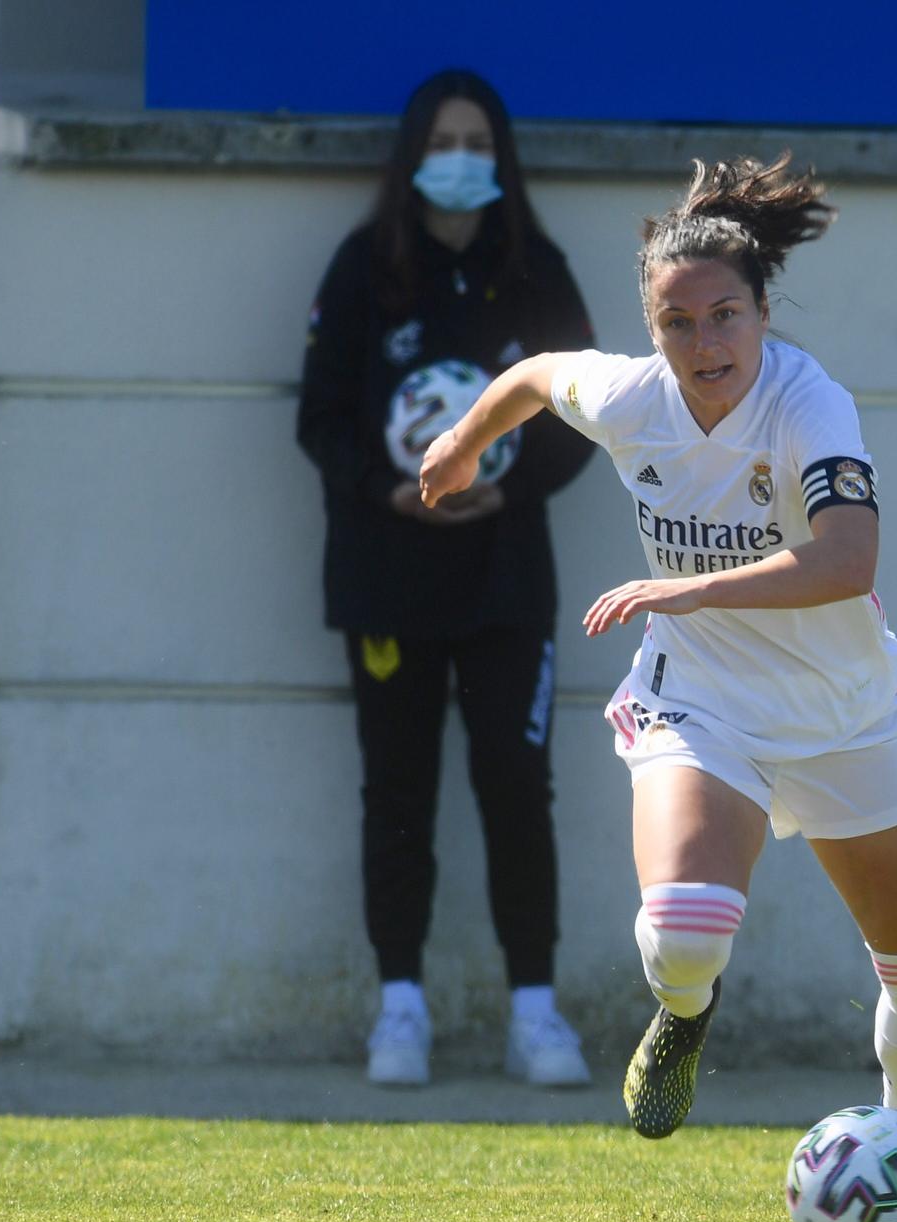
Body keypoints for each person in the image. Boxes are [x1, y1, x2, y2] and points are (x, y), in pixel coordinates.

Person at [419, 154, 897, 1222]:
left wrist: (681, 588)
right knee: (687, 925)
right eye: (676, 322)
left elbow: (846, 561)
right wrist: (462, 444)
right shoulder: (630, 394)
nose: (703, 345)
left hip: (842, 714)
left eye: (724, 317)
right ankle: (684, 1014)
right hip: (702, 705)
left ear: (763, 312)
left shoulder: (805, 400)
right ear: (650, 325)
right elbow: (533, 375)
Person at [296, 69, 596, 1088]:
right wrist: (390, 490)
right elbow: (320, 418)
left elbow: (587, 418)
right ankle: (400, 1007)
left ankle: (535, 1011)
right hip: (387, 579)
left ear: (501, 158)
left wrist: (501, 494)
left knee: (516, 786)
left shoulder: (536, 271)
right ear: (412, 152)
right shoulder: (362, 270)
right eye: (445, 138)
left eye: (479, 141)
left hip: (508, 579)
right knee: (397, 790)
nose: (461, 158)